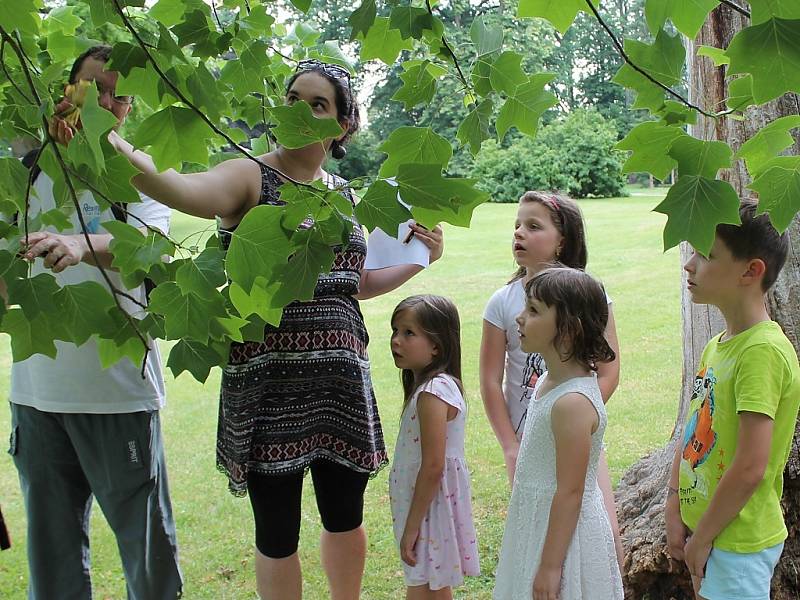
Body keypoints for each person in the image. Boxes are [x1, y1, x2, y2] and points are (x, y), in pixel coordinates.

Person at [50, 58, 444, 600]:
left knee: (345, 518)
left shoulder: (343, 194)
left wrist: (420, 259)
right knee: (277, 532)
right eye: (292, 99)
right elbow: (181, 190)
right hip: (268, 388)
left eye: (318, 105)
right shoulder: (250, 174)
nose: (299, 112)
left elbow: (349, 283)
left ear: (343, 125)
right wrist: (108, 137)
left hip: (340, 387)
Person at [2, 45, 181, 599]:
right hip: (36, 397)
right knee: (52, 570)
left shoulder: (140, 169)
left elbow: (152, 248)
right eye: (94, 88)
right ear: (66, 87)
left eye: (119, 96)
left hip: (118, 397)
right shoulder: (22, 165)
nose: (106, 103)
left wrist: (79, 244)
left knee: (148, 563)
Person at [479, 190, 624, 567]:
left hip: (578, 439)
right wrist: (511, 445)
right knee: (536, 535)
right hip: (527, 446)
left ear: (563, 239)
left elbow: (608, 370)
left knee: (605, 535)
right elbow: (490, 380)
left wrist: (575, 420)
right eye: (516, 225)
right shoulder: (502, 301)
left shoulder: (589, 295)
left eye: (533, 226)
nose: (519, 233)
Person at [665, 200, 800, 600]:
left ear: (750, 270)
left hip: (737, 542)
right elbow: (693, 430)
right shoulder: (717, 347)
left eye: (705, 254)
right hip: (708, 532)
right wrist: (674, 504)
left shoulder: (761, 353)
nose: (689, 265)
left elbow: (750, 466)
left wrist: (702, 538)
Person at [493, 267, 624, 600]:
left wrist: (551, 567)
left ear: (568, 329)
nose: (520, 319)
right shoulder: (549, 383)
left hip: (565, 538)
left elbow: (570, 491)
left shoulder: (573, 403)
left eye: (533, 310)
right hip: (538, 522)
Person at [388, 295, 480, 600]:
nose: (396, 341)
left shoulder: (432, 393)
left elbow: (433, 465)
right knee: (433, 584)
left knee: (422, 584)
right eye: (395, 331)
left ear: (437, 346)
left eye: (408, 333)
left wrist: (412, 526)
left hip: (428, 506)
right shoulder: (437, 387)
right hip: (427, 503)